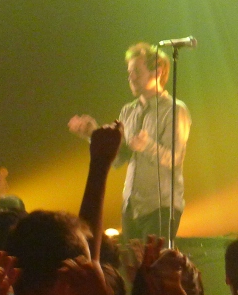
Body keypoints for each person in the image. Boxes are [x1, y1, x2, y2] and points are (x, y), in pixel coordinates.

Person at [69, 42, 190, 241]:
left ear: (157, 72)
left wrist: (148, 146)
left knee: (152, 267)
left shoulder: (175, 109)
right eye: (129, 72)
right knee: (130, 267)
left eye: (136, 71)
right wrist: (93, 134)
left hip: (160, 207)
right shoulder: (128, 110)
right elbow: (118, 159)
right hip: (131, 206)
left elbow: (175, 158)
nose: (130, 77)